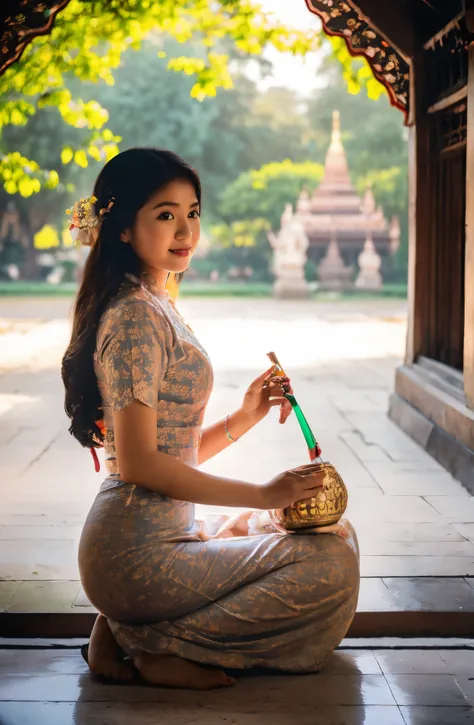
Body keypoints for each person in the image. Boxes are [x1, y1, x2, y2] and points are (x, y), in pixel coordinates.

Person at [61, 148, 359, 691]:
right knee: (330, 568)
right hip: (135, 554)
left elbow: (168, 448)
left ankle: (127, 627)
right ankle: (147, 640)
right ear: (123, 227)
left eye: (192, 212)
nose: (185, 230)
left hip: (164, 540)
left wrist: (245, 417)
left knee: (334, 535)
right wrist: (264, 493)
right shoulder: (133, 316)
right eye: (165, 214)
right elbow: (138, 464)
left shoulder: (154, 301)